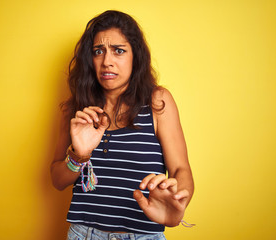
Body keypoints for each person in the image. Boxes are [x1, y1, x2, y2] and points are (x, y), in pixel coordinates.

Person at [50, 10, 194, 240]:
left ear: (135, 56)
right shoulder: (75, 109)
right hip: (84, 234)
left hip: (143, 236)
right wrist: (79, 155)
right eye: (99, 52)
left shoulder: (157, 102)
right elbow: (57, 180)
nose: (107, 62)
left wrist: (179, 198)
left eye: (119, 51)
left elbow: (181, 170)